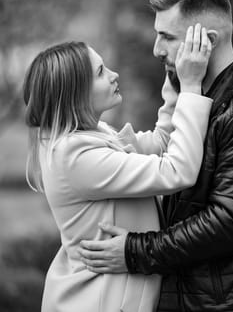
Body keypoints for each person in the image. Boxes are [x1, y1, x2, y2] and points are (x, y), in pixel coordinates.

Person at [79, 0, 233, 312]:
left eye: (167, 37)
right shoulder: (202, 98)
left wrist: (134, 252)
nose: (157, 49)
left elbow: (229, 222)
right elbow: (166, 154)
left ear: (206, 41)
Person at [23, 28, 213, 312]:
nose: (114, 75)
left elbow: (162, 144)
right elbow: (177, 170)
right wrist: (192, 87)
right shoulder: (75, 155)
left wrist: (174, 75)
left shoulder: (90, 135)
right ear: (75, 92)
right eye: (100, 72)